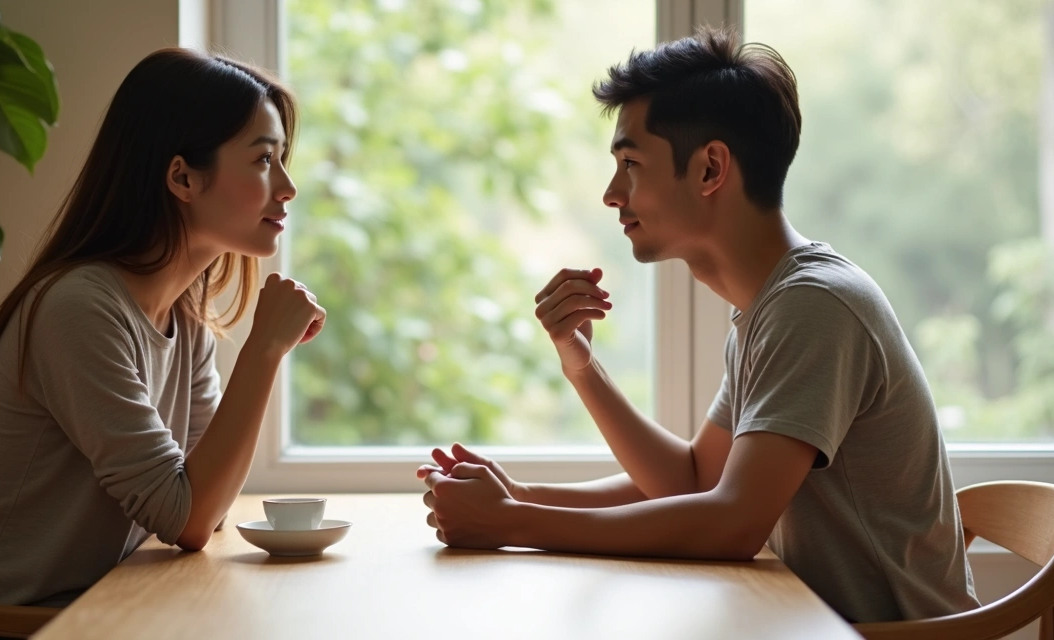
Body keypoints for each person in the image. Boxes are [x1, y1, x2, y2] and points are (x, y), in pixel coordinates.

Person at [418, 26, 981, 624]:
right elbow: (693, 478)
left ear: (711, 168)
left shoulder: (814, 307)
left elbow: (732, 523)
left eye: (630, 163)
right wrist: (567, 396)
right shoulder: (768, 309)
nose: (612, 194)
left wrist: (510, 523)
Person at [0, 49, 325, 639]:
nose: (288, 187)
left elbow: (209, 500)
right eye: (264, 160)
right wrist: (262, 352)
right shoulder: (79, 309)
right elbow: (188, 519)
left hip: (80, 617)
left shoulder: (184, 316)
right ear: (182, 177)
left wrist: (261, 355)